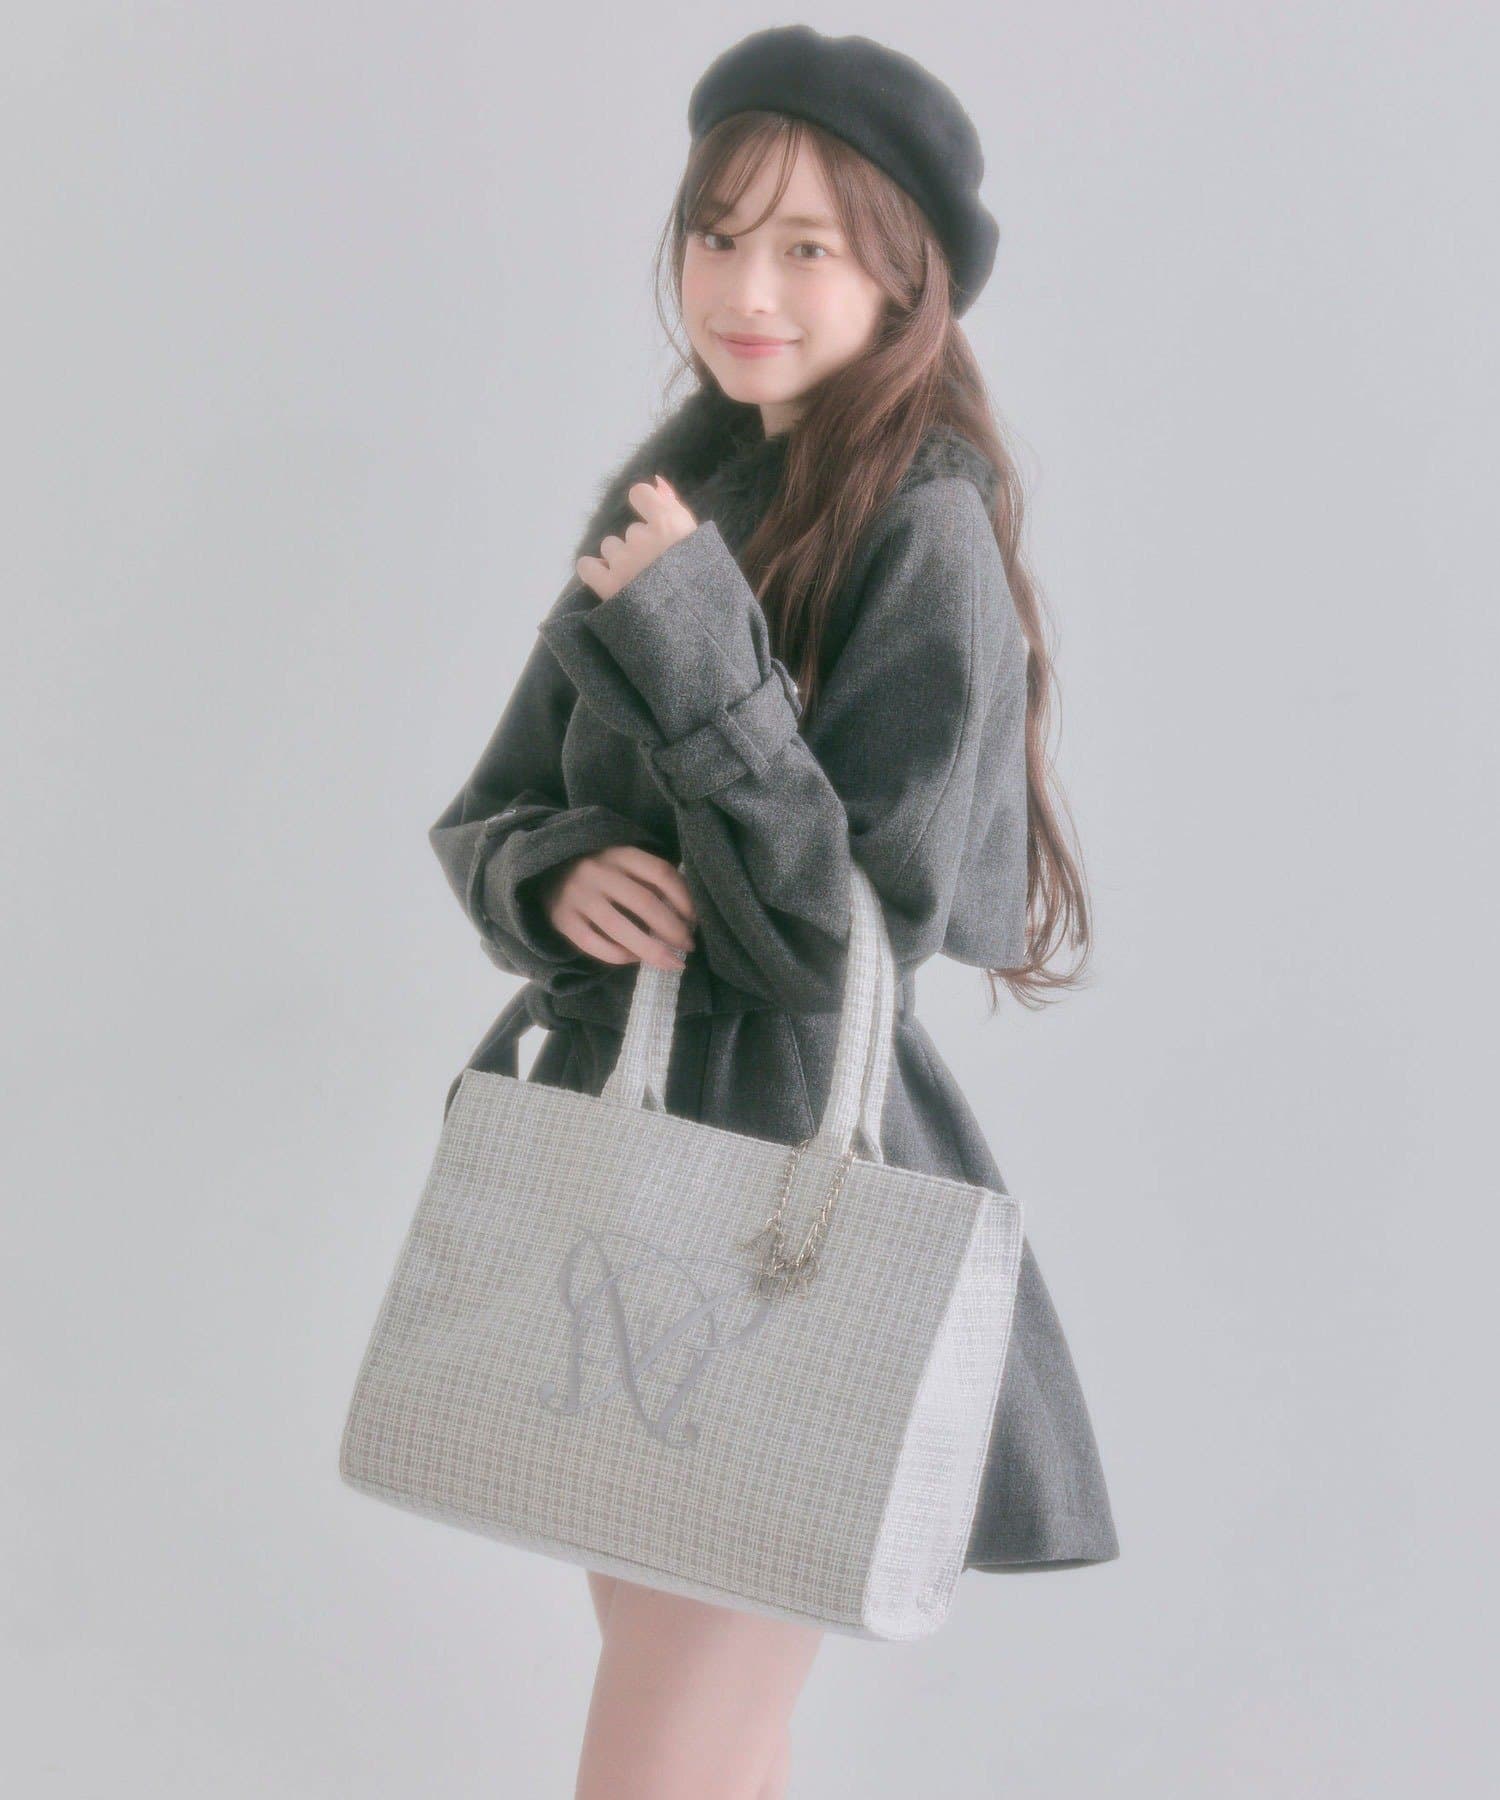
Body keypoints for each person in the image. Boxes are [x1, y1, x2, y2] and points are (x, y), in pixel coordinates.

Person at [427, 27, 1120, 1800]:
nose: (744, 288)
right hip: (628, 1159)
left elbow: (834, 947)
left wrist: (696, 647)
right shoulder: (689, 486)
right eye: (718, 233)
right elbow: (490, 811)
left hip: (778, 1203)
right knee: (711, 1736)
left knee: (673, 1742)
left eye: (808, 247)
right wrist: (553, 875)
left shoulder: (925, 534)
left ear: (907, 280)